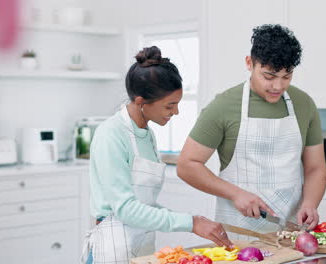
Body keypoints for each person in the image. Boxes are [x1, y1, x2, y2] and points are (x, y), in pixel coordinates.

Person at [81, 46, 233, 264]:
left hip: (141, 244)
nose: (176, 112)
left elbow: (145, 204)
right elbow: (125, 209)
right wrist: (191, 222)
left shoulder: (147, 134)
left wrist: (194, 221)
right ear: (142, 102)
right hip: (112, 246)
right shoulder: (111, 134)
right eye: (170, 106)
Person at [177, 24, 326, 238]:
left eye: (287, 76)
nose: (278, 86)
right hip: (240, 232)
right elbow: (186, 165)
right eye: (269, 76)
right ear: (250, 63)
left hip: (293, 231)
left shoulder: (304, 104)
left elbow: (315, 168)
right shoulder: (223, 106)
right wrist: (236, 194)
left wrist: (311, 203)